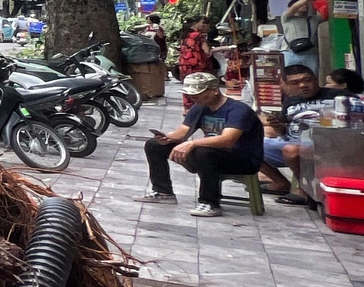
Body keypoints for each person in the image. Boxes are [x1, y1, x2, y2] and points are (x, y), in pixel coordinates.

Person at [138, 71, 265, 216]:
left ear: (214, 91)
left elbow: (227, 139)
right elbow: (182, 133)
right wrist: (167, 138)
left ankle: (210, 202)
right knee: (154, 145)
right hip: (211, 154)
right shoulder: (200, 106)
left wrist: (192, 144)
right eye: (191, 94)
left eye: (197, 93)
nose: (193, 97)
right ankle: (162, 191)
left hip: (242, 158)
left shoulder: (238, 110)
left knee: (203, 152)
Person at [258, 63, 325, 203]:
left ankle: (303, 189)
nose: (302, 85)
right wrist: (277, 126)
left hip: (323, 145)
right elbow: (284, 132)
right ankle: (280, 183)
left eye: (307, 80)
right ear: (286, 84)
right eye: (295, 82)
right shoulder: (291, 102)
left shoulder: (335, 96)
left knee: (292, 150)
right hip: (291, 141)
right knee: (247, 146)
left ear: (315, 79)